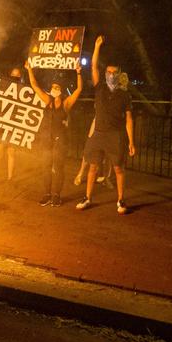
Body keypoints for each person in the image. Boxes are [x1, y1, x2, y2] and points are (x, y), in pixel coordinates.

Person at [76, 36, 135, 214]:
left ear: (118, 75)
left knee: (118, 168)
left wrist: (131, 141)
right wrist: (96, 47)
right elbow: (93, 66)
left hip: (115, 135)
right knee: (92, 166)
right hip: (98, 134)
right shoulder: (99, 87)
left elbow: (129, 119)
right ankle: (87, 198)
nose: (110, 75)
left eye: (113, 72)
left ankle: (121, 200)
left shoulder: (124, 95)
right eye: (108, 72)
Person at [26, 60, 83, 206]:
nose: (54, 89)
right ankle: (47, 194)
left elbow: (79, 90)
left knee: (58, 168)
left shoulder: (66, 104)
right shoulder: (48, 100)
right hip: (46, 139)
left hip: (60, 140)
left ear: (61, 90)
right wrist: (29, 69)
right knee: (45, 166)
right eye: (52, 87)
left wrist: (78, 72)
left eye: (57, 87)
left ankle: (57, 195)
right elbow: (35, 86)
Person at [0, 67, 23, 183]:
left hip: (14, 124)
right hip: (2, 123)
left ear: (20, 77)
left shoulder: (22, 90)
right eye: (12, 75)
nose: (14, 77)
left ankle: (10, 178)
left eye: (17, 75)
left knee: (11, 152)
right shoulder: (4, 87)